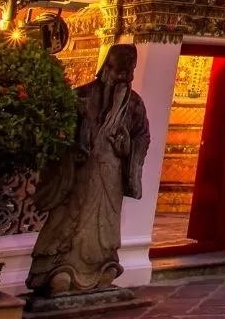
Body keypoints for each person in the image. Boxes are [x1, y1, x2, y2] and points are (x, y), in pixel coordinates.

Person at [28, 44, 151, 297]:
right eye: (118, 72)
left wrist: (126, 146)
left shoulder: (134, 104)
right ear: (106, 68)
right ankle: (59, 269)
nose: (123, 78)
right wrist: (78, 142)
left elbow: (142, 137)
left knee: (105, 224)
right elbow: (58, 134)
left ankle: (102, 267)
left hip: (112, 174)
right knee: (70, 219)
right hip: (79, 173)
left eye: (128, 73)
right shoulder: (81, 97)